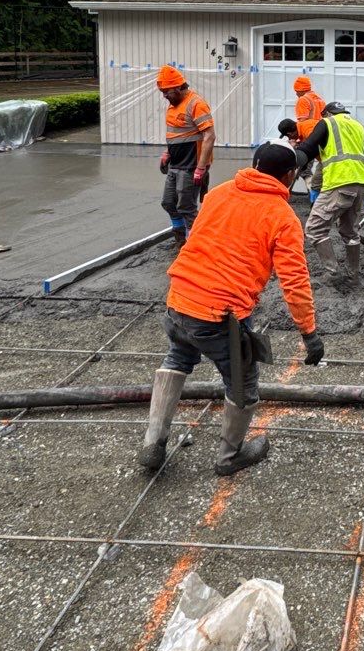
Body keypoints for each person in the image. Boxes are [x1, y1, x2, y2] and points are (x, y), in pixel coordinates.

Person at [138, 141, 325, 476]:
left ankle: (153, 442)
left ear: (254, 165)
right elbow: (294, 282)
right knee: (243, 381)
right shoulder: (282, 217)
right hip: (219, 314)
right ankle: (229, 457)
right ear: (289, 176)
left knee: (178, 358)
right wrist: (309, 334)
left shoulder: (221, 192)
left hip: (179, 297)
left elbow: (198, 238)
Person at [295, 101, 364, 289]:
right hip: (360, 185)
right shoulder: (360, 127)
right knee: (350, 232)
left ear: (327, 113)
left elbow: (307, 149)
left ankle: (333, 273)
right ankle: (353, 278)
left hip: (338, 184)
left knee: (314, 229)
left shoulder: (327, 123)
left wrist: (293, 160)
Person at [156, 66, 215, 247]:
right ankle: (180, 238)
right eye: (162, 92)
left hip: (191, 166)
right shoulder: (173, 106)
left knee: (187, 208)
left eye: (167, 92)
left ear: (179, 87)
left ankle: (197, 244)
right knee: (168, 203)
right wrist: (167, 152)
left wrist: (201, 167)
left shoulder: (196, 104)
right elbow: (175, 134)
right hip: (175, 164)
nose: (164, 95)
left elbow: (209, 136)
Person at [293, 74, 327, 202]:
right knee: (324, 166)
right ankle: (318, 191)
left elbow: (302, 122)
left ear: (301, 89)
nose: (296, 94)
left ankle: (312, 191)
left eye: (296, 91)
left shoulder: (303, 100)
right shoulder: (319, 99)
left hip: (310, 138)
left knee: (305, 169)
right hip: (323, 138)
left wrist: (300, 142)